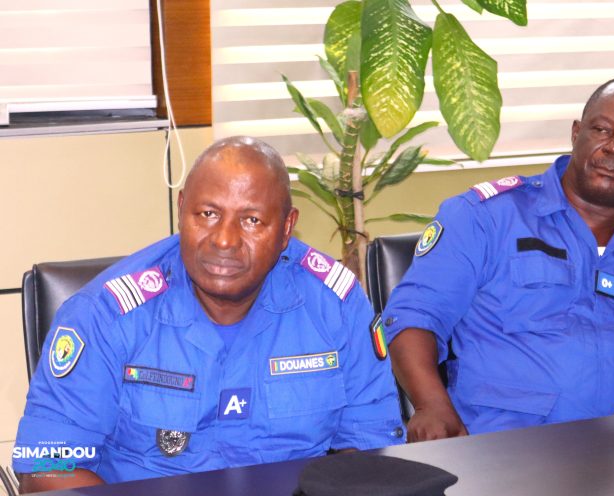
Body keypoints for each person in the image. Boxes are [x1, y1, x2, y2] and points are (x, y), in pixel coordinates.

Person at [13, 136, 405, 492]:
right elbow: (47, 469)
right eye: (207, 214)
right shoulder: (105, 315)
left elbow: (371, 449)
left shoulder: (336, 307)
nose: (224, 240)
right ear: (181, 208)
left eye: (252, 220)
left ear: (287, 228)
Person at [382, 77, 614, 442]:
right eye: (602, 130)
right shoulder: (485, 217)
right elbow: (414, 317)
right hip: (503, 447)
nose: (613, 148)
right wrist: (431, 406)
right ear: (576, 133)